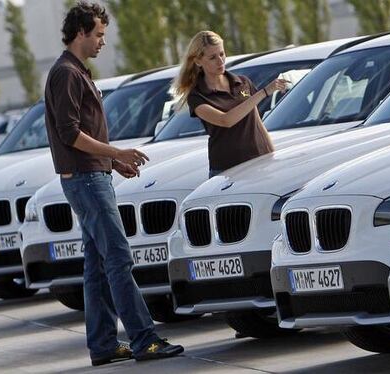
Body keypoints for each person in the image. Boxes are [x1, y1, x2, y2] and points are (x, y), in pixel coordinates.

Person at [43, 1, 183, 366]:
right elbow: (70, 133)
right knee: (118, 258)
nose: (103, 41)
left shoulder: (77, 71)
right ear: (80, 33)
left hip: (92, 175)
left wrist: (110, 162)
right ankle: (144, 339)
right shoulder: (67, 74)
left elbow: (80, 135)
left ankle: (104, 345)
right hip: (86, 180)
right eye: (99, 34)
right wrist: (115, 153)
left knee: (97, 264)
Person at [173, 31, 288, 178]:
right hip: (226, 171)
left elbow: (257, 123)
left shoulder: (242, 82)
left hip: (259, 162)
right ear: (198, 61)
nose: (220, 61)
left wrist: (272, 154)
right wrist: (264, 92)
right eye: (213, 57)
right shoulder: (197, 96)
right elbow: (225, 120)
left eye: (222, 54)